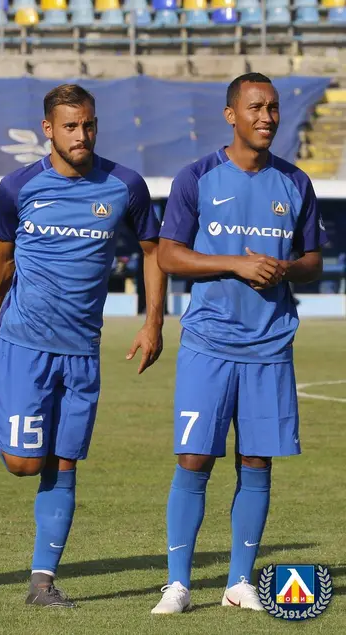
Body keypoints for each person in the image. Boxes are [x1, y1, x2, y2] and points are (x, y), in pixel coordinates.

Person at [0, 83, 167, 608]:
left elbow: (153, 251)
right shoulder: (19, 186)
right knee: (24, 464)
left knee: (64, 463)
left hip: (83, 349)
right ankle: (9, 400)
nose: (81, 135)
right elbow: (3, 256)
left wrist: (153, 323)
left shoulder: (125, 185)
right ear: (49, 129)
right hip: (24, 343)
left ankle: (42, 584)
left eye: (88, 125)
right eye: (70, 126)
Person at [151, 72, 327, 615]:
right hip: (209, 340)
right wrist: (235, 263)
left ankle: (238, 583)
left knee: (256, 461)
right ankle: (177, 585)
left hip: (270, 346)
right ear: (231, 115)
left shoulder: (295, 182)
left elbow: (314, 261)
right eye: (255, 108)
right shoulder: (197, 177)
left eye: (272, 107)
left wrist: (284, 269)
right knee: (194, 458)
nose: (266, 117)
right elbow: (168, 255)